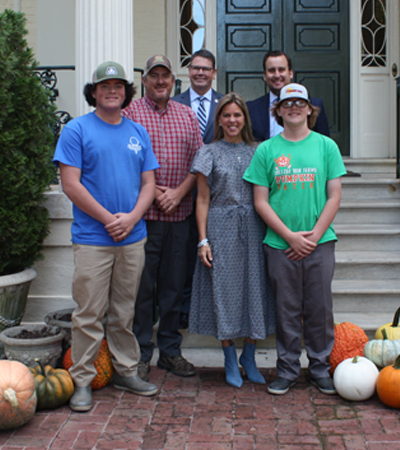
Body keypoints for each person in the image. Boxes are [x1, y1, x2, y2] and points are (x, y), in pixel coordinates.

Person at [53, 61, 160, 412]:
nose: (111, 90)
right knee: (88, 312)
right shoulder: (76, 130)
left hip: (132, 237)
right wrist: (107, 219)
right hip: (92, 239)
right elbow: (70, 183)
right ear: (94, 92)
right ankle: (82, 379)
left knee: (124, 311)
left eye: (118, 85)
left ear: (126, 92)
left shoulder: (138, 132)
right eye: (104, 86)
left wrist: (131, 219)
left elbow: (149, 184)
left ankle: (126, 371)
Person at [243, 83, 346, 395]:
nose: (294, 108)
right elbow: (260, 200)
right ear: (279, 110)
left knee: (319, 309)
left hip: (320, 242)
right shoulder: (267, 150)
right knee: (286, 309)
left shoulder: (326, 146)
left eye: (300, 103)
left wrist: (313, 236)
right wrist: (289, 236)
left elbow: (334, 195)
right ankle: (287, 369)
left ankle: (319, 368)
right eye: (287, 103)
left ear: (309, 109)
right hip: (280, 245)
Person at [122, 55, 203, 381]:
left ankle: (170, 351)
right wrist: (157, 193)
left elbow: (199, 162)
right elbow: (126, 161)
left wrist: (180, 193)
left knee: (173, 287)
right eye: (153, 75)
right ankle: (141, 351)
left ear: (173, 80)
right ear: (144, 80)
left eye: (165, 76)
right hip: (145, 217)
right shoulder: (130, 114)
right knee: (143, 289)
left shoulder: (187, 114)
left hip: (180, 215)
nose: (159, 81)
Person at [190, 92, 276, 388]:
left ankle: (249, 357)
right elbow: (202, 199)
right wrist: (203, 240)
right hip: (220, 225)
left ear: (245, 119)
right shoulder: (208, 152)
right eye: (226, 115)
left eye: (237, 115)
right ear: (219, 119)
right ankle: (228, 357)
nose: (232, 120)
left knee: (256, 288)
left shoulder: (259, 151)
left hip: (254, 225)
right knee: (223, 292)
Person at [172, 49, 224, 329]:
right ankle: (183, 310)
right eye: (195, 68)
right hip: (181, 192)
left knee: (209, 253)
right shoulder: (174, 103)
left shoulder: (224, 104)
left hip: (213, 195)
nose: (200, 72)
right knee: (182, 255)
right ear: (188, 72)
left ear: (214, 73)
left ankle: (209, 308)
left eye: (206, 68)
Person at [246, 50, 330, 142]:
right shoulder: (251, 108)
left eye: (281, 69)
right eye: (271, 70)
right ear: (265, 76)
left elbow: (324, 144)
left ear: (290, 73)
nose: (277, 75)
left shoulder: (315, 104)